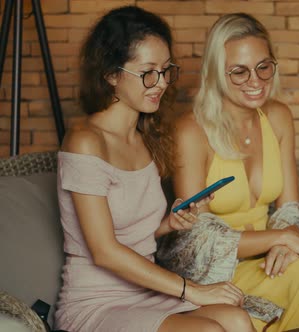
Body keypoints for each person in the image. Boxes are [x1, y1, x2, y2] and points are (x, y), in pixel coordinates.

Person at [54, 6, 255, 332]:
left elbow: (136, 236)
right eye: (148, 72)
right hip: (97, 301)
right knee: (210, 330)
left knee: (237, 317)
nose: (160, 83)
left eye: (165, 70)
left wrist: (169, 224)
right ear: (111, 74)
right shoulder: (85, 141)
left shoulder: (142, 139)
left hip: (147, 291)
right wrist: (194, 290)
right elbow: (104, 251)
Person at [162, 13, 299, 332]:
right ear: (216, 73)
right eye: (239, 72)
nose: (255, 81)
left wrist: (289, 241)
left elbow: (290, 209)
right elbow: (195, 236)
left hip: (264, 262)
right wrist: (282, 237)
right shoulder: (190, 130)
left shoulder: (279, 117)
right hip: (210, 275)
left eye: (263, 67)